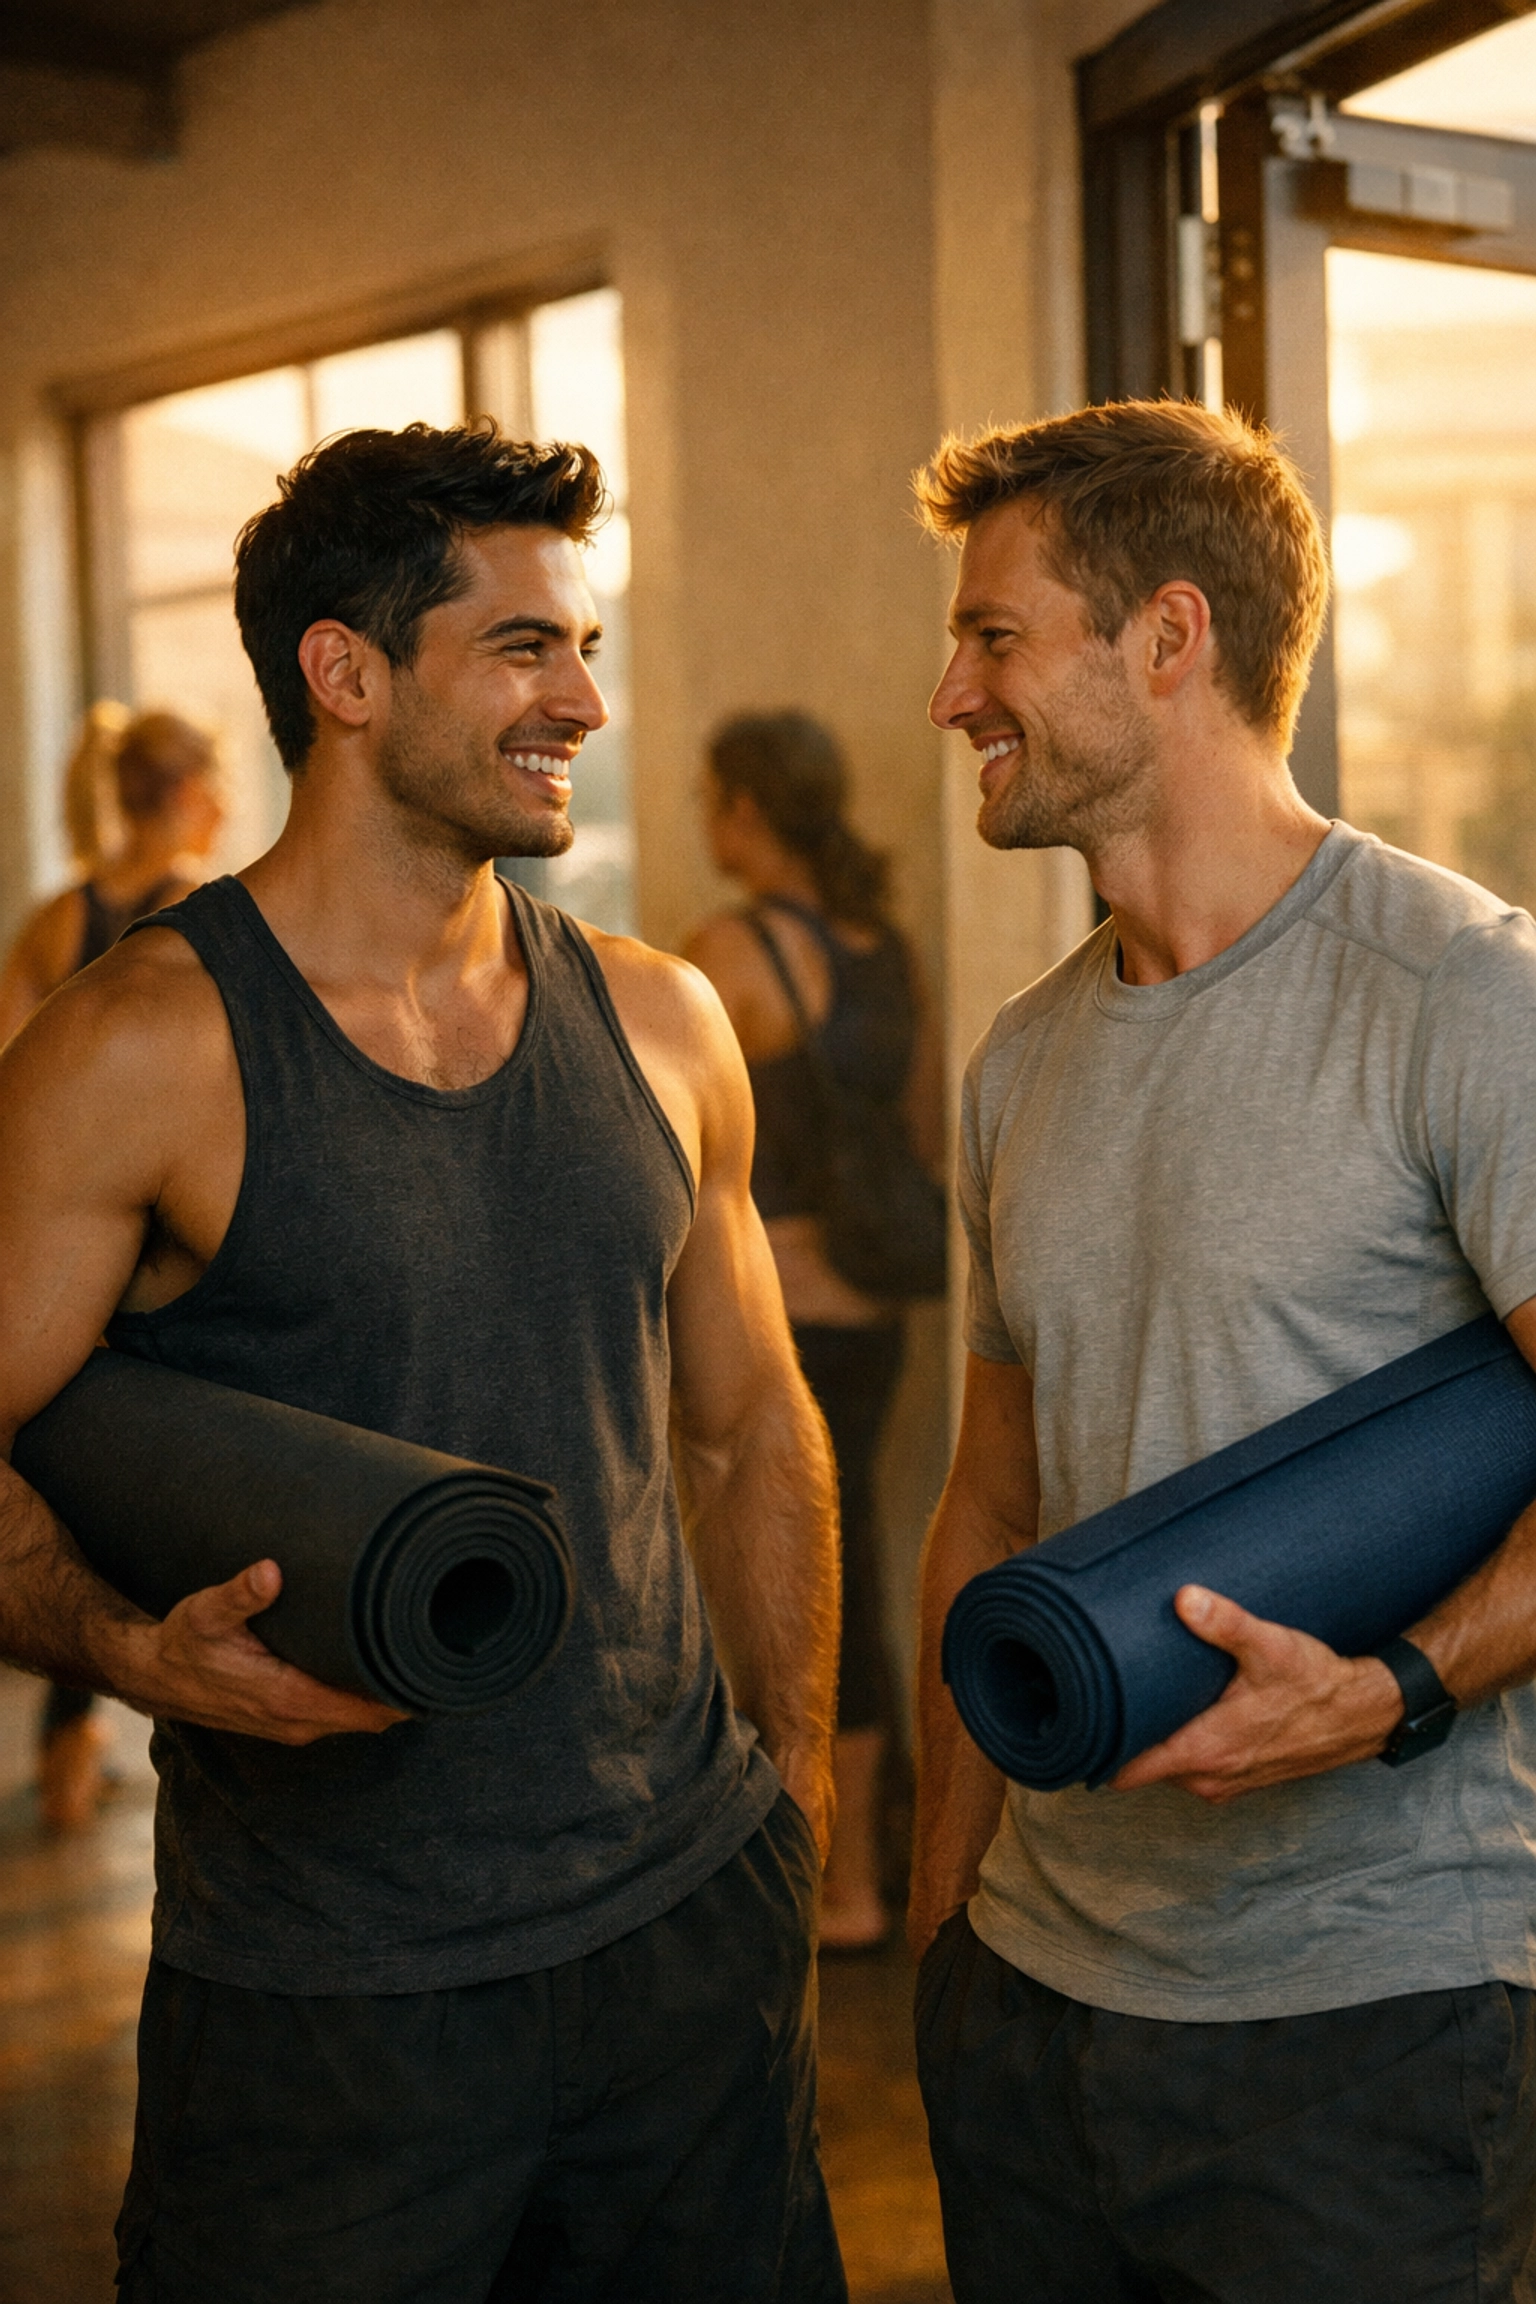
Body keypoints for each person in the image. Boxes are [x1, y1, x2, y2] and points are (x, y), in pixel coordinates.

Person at [0, 421, 844, 2303]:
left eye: (587, 649)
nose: (586, 703)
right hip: (328, 1999)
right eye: (526, 648)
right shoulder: (139, 1047)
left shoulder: (663, 1018)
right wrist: (122, 1650)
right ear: (347, 673)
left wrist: (789, 1792)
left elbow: (745, 1422)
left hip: (686, 1940)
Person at [908, 398, 1536, 2302]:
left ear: (1168, 635)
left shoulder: (1461, 991)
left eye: (994, 634)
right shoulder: (1020, 1058)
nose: (951, 693)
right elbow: (990, 1501)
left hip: (1372, 2010)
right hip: (1033, 1997)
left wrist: (1397, 1684)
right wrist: (941, 1928)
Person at [685, 712, 943, 1951]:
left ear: (749, 808)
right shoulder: (886, 951)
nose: (706, 820)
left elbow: (675, 1151)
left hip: (774, 1310)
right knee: (856, 1563)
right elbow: (923, 1134)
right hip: (875, 1314)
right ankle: (859, 1873)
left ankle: (824, 1877)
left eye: (712, 798)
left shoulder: (727, 954)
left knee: (779, 1576)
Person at [0, 703, 225, 1830]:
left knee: (60, 1477)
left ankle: (70, 1742)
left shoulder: (61, 917)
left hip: (65, 1238)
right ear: (185, 797)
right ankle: (134, 1724)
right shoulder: (206, 912)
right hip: (161, 1246)